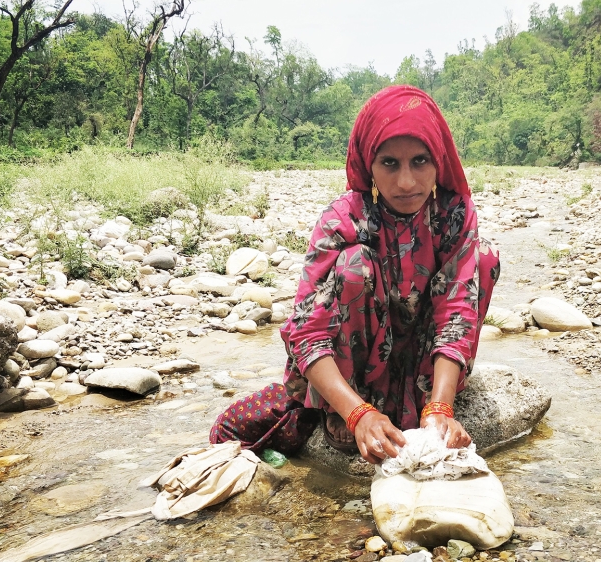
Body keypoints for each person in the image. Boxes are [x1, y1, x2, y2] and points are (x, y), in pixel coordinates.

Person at [210, 85, 500, 465]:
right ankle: (345, 406)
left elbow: (456, 309)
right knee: (354, 266)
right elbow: (307, 330)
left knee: (484, 258)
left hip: (422, 358)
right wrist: (357, 413)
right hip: (357, 364)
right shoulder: (343, 218)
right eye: (389, 164)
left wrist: (442, 406)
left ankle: (425, 400)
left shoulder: (455, 214)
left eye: (420, 161)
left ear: (439, 160)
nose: (407, 183)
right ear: (369, 164)